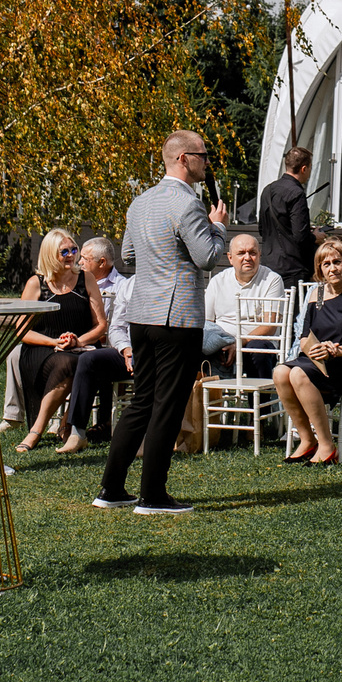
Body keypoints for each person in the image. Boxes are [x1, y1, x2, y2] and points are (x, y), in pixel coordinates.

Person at [94, 131, 230, 515]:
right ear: (185, 159)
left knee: (141, 401)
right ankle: (152, 495)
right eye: (204, 155)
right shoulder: (189, 204)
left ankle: (111, 489)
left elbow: (129, 253)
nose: (208, 162)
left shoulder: (140, 203)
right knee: (168, 404)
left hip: (141, 313)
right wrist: (217, 226)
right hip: (177, 316)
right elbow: (206, 257)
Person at [273, 234, 342, 465]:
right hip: (320, 360)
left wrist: (336, 351)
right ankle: (307, 439)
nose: (332, 268)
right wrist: (316, 350)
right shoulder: (315, 294)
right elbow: (303, 339)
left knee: (298, 373)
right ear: (320, 268)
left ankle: (327, 445)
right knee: (280, 372)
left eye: (337, 262)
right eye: (326, 264)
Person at [13, 229, 107, 454]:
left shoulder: (86, 279)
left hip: (80, 348)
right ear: (48, 254)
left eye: (73, 250)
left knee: (79, 362)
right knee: (69, 363)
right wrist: (54, 342)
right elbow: (21, 331)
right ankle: (44, 429)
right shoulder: (36, 284)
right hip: (41, 351)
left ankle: (62, 425)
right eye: (63, 251)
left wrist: (77, 341)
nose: (70, 255)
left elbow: (101, 325)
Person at [61, 237, 128, 453]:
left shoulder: (123, 286)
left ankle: (81, 425)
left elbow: (113, 327)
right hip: (89, 343)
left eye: (85, 259)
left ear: (102, 263)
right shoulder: (75, 282)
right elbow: (116, 327)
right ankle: (72, 429)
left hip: (112, 348)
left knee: (92, 357)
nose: (79, 262)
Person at [201, 231, 287, 374]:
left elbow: (270, 326)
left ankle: (258, 396)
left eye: (252, 253)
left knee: (258, 348)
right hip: (222, 342)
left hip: (256, 342)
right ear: (230, 258)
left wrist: (239, 343)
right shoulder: (218, 281)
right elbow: (207, 322)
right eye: (241, 253)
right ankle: (208, 393)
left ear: (259, 255)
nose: (247, 258)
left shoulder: (272, 280)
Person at [256, 146, 318, 286]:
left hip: (268, 265)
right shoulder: (297, 193)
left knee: (271, 307)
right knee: (294, 307)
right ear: (303, 168)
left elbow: (262, 229)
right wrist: (315, 237)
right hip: (292, 268)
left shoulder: (267, 190)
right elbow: (300, 236)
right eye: (310, 168)